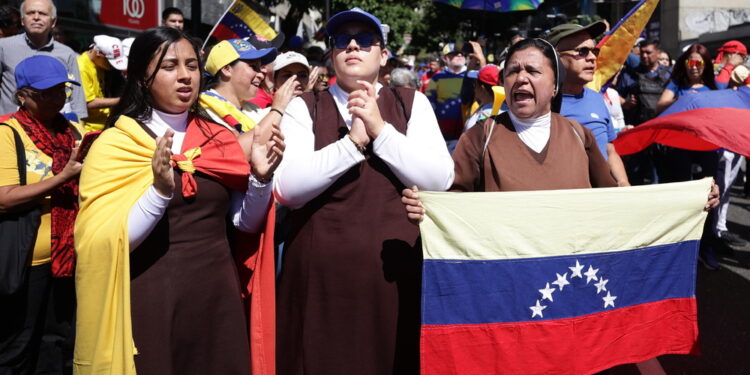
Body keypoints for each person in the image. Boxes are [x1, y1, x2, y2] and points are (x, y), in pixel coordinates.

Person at [401, 38, 720, 375]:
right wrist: (429, 210)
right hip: (511, 302)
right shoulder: (480, 138)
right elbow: (452, 206)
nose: (521, 78)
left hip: (571, 297)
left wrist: (689, 201)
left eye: (533, 71)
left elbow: (615, 205)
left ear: (554, 85)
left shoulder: (578, 135)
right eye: (513, 71)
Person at [73, 27, 283, 375]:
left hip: (217, 294)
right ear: (142, 77)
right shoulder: (115, 145)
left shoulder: (218, 137)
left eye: (192, 65)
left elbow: (243, 224)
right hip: (152, 295)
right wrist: (158, 191)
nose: (185, 76)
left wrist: (260, 179)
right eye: (170, 66)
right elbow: (103, 242)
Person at [274, 7, 454, 374]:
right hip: (320, 280)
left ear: (383, 55)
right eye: (342, 40)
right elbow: (287, 188)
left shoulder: (409, 103)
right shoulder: (306, 106)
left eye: (365, 39)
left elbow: (439, 178)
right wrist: (351, 145)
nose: (353, 45)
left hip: (393, 277)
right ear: (331, 53)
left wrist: (380, 131)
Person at [0, 55, 82, 375]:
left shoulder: (69, 132)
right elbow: (4, 199)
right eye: (46, 93)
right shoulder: (9, 133)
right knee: (16, 350)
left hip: (63, 263)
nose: (57, 98)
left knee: (55, 347)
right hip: (24, 265)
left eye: (62, 90)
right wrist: (62, 178)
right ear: (23, 95)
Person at [545, 21, 630, 186]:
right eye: (582, 51)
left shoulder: (597, 98)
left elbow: (609, 150)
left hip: (603, 198)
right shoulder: (540, 104)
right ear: (555, 57)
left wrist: (623, 183)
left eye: (594, 51)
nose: (592, 58)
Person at [0, 0, 87, 122]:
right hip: (9, 128)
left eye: (42, 13)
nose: (36, 17)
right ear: (22, 20)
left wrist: (77, 129)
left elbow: (77, 100)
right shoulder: (4, 47)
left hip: (52, 132)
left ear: (53, 22)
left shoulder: (67, 54)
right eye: (30, 13)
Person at [200, 38, 294, 136]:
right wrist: (277, 109)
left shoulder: (252, 108)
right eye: (253, 67)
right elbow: (235, 148)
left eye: (260, 67)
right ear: (227, 69)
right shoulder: (205, 108)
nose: (261, 75)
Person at [617, 39, 671, 185]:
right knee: (635, 176)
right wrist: (625, 103)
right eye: (642, 53)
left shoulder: (669, 75)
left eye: (648, 52)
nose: (645, 56)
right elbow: (616, 95)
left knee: (660, 177)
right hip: (637, 131)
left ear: (657, 53)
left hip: (662, 133)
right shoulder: (630, 74)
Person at [77, 35, 128, 132]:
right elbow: (87, 103)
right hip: (88, 128)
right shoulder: (81, 68)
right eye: (110, 63)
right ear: (99, 54)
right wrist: (122, 100)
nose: (112, 67)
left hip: (102, 125)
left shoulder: (98, 64)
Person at [656, 44, 717, 115]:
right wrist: (680, 99)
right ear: (685, 64)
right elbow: (659, 108)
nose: (694, 67)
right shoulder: (676, 83)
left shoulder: (714, 82)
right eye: (690, 63)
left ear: (706, 65)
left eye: (698, 63)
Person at [426, 48, 467, 143]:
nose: (460, 55)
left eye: (462, 53)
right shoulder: (437, 78)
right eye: (455, 53)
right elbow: (429, 104)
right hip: (443, 132)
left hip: (467, 131)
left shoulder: (472, 76)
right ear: (445, 58)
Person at [463, 64, 500, 131]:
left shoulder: (488, 115)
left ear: (482, 88)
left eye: (475, 83)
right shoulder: (484, 105)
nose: (473, 87)